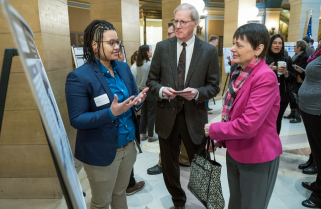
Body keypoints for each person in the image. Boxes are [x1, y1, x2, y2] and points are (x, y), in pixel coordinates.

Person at [65, 20, 148, 209]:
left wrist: (137, 102)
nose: (117, 47)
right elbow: (77, 119)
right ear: (95, 46)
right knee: (102, 202)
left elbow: (131, 99)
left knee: (119, 193)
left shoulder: (123, 68)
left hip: (128, 147)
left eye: (117, 41)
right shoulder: (79, 77)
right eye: (111, 43)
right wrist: (110, 113)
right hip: (101, 152)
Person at [147, 3, 220, 208]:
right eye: (175, 21)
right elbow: (152, 81)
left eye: (183, 22)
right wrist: (162, 91)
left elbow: (214, 86)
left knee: (201, 163)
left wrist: (197, 93)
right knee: (169, 165)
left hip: (194, 116)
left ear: (195, 24)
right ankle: (178, 200)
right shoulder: (162, 48)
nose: (178, 26)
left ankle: (208, 201)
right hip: (167, 115)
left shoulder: (208, 51)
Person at [205, 23, 282, 209]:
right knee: (236, 202)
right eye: (234, 44)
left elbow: (249, 124)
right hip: (235, 151)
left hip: (257, 156)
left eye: (239, 45)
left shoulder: (265, 77)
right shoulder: (239, 73)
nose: (232, 49)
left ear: (258, 49)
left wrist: (214, 129)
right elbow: (232, 114)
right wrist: (222, 139)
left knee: (251, 204)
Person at [298, 43, 321, 208]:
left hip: (318, 109)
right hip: (311, 110)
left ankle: (320, 196)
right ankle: (318, 185)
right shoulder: (318, 52)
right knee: (318, 151)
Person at [266, 34, 296, 135]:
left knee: (277, 121)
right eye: (274, 43)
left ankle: (273, 145)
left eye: (280, 43)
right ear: (270, 45)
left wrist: (286, 73)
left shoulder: (287, 59)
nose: (277, 45)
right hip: (266, 95)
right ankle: (264, 145)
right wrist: (268, 71)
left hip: (283, 95)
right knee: (265, 121)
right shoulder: (264, 59)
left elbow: (294, 77)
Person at [136, 45, 158, 142]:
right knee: (151, 114)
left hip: (141, 91)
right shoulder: (149, 65)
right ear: (146, 52)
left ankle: (143, 134)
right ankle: (151, 136)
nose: (151, 52)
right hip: (150, 91)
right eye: (150, 51)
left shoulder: (138, 64)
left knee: (143, 113)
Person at [285, 40, 309, 123]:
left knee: (296, 98)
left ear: (299, 47)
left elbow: (301, 69)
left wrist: (292, 70)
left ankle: (297, 116)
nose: (294, 47)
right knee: (292, 97)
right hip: (293, 78)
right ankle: (292, 113)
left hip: (298, 80)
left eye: (295, 46)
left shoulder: (304, 56)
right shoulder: (296, 55)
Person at [206, 35, 219, 114]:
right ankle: (205, 108)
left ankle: (206, 107)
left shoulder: (211, 48)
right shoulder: (208, 48)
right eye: (217, 42)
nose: (217, 44)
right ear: (213, 41)